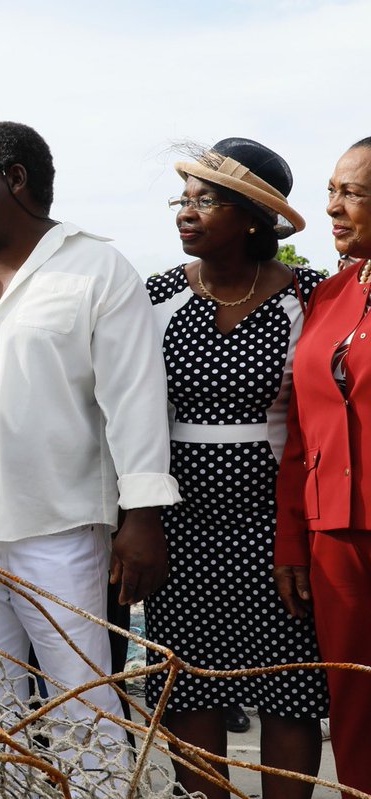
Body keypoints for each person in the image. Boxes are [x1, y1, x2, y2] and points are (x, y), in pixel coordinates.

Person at [0, 121, 180, 781]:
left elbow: (135, 402)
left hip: (60, 535)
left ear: (14, 179)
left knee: (85, 711)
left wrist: (142, 516)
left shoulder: (98, 270)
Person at [145, 138, 326, 799]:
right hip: (179, 520)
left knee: (289, 684)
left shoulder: (309, 294)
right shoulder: (157, 294)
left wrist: (299, 530)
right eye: (184, 199)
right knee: (191, 682)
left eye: (207, 201)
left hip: (278, 521)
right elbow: (133, 411)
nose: (186, 212)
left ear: (253, 218)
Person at [275, 136, 371, 797]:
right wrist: (293, 539)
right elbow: (300, 432)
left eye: (352, 193)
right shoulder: (330, 293)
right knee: (355, 712)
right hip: (333, 539)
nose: (333, 207)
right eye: (331, 191)